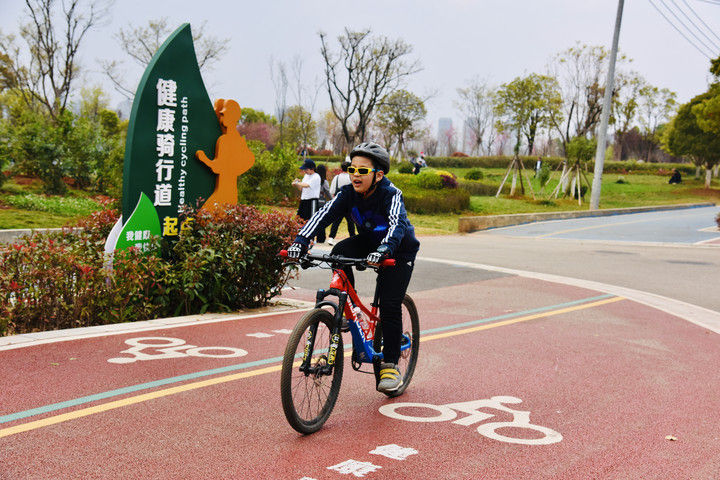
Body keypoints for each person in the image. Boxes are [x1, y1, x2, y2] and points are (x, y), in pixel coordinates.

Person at [287, 142, 420, 395]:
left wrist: (384, 250)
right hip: (369, 243)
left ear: (378, 175)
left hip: (399, 251)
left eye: (362, 171)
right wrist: (300, 242)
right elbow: (323, 215)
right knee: (338, 252)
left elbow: (396, 226)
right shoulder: (347, 193)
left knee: (390, 304)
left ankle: (390, 363)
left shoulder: (391, 194)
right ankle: (350, 311)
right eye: (351, 169)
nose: (355, 175)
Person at [327, 160, 356, 245]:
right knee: (351, 222)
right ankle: (352, 238)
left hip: (339, 202)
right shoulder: (352, 177)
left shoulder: (337, 177)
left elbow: (332, 190)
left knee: (336, 221)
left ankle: (331, 238)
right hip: (350, 203)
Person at [292, 158, 321, 223]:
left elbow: (306, 185)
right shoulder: (306, 176)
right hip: (303, 200)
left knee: (311, 220)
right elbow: (301, 188)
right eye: (304, 169)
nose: (305, 171)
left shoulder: (316, 176)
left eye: (306, 169)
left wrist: (297, 183)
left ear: (312, 169)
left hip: (311, 201)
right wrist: (296, 184)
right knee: (300, 219)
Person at [314, 164, 331, 244]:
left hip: (313, 201)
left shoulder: (314, 179)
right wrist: (332, 200)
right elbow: (327, 192)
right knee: (320, 219)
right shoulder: (324, 181)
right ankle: (321, 238)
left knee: (313, 219)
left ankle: (313, 236)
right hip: (321, 202)